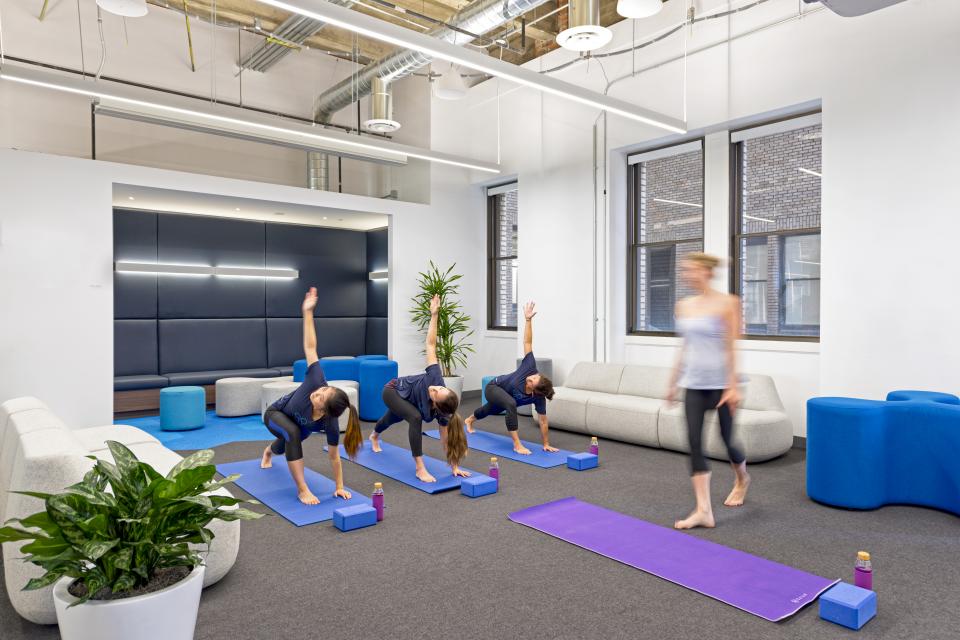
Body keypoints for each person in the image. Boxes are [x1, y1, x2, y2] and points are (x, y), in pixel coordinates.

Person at [665, 253, 751, 530]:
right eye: (685, 270)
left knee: (727, 440)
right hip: (694, 383)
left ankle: (742, 479)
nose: (687, 275)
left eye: (691, 270)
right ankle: (704, 510)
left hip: (722, 384)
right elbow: (685, 346)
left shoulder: (728, 303)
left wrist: (733, 386)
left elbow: (731, 347)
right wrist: (672, 381)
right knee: (694, 442)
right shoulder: (684, 306)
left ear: (707, 272)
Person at [260, 287, 362, 505]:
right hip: (274, 414)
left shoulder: (331, 424)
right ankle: (302, 489)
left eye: (320, 397)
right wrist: (307, 312)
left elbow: (334, 457)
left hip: (298, 429)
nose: (317, 392)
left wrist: (339, 487)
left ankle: (268, 452)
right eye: (324, 390)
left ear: (324, 411)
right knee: (292, 433)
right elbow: (310, 346)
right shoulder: (316, 379)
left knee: (286, 442)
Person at [369, 294, 469, 483]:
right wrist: (434, 315)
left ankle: (374, 435)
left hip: (410, 402)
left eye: (435, 393)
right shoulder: (435, 377)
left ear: (437, 406)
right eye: (439, 388)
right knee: (414, 417)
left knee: (391, 419)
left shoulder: (443, 416)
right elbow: (431, 344)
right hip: (393, 390)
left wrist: (454, 466)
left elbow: (445, 439)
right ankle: (419, 468)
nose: (433, 388)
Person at [465, 301, 557, 455]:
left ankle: (469, 420)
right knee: (510, 403)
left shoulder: (539, 398)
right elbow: (527, 342)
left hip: (505, 398)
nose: (532, 376)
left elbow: (543, 420)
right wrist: (528, 320)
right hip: (494, 388)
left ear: (535, 391)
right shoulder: (530, 367)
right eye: (536, 375)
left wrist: (546, 443)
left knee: (487, 410)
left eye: (534, 380)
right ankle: (517, 444)